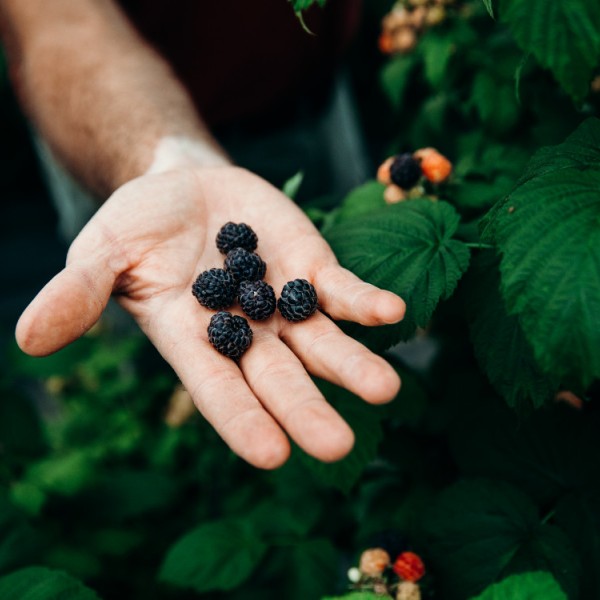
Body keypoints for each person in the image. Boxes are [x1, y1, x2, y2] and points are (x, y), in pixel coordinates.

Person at [0, 0, 406, 469]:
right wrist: (168, 159)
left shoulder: (245, 280)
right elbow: (59, 21)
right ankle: (186, 464)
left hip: (319, 92)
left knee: (350, 328)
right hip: (112, 138)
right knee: (158, 362)